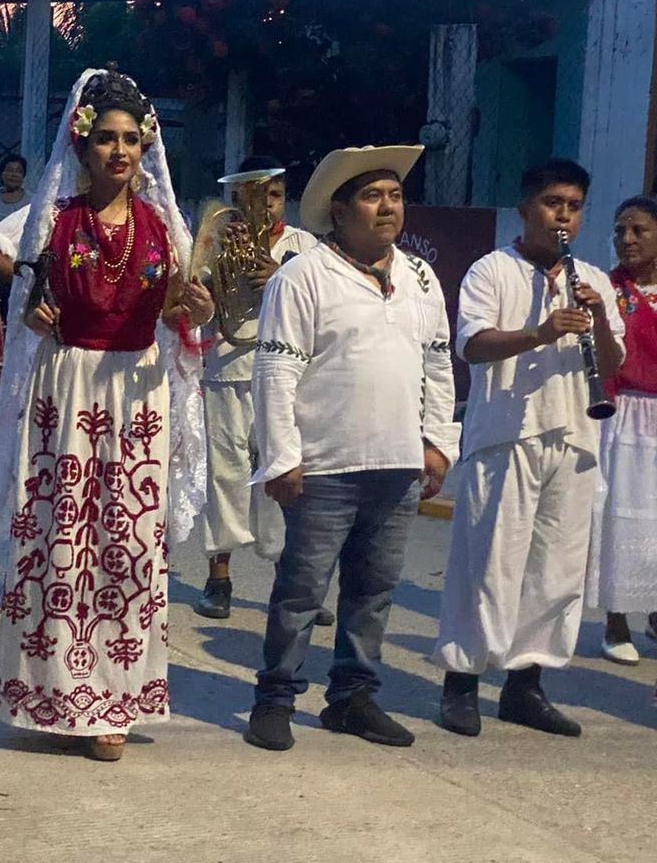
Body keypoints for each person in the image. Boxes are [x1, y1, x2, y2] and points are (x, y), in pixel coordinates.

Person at [0, 69, 213, 761]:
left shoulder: (164, 225)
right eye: (107, 138)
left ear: (146, 149)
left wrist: (197, 311)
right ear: (81, 146)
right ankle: (55, 696)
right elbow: (5, 272)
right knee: (61, 538)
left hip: (139, 387)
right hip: (68, 382)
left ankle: (115, 701)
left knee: (129, 544)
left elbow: (182, 311)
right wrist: (32, 308)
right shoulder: (52, 218)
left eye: (131, 140)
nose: (120, 151)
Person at [244, 145, 458, 753]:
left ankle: (352, 699)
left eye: (395, 196)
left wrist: (438, 443)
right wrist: (282, 457)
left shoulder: (420, 276)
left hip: (398, 464)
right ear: (339, 212)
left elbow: (438, 364)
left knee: (374, 590)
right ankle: (275, 700)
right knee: (301, 591)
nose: (388, 207)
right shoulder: (303, 275)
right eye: (372, 196)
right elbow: (276, 370)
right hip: (324, 466)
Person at [433, 159, 624, 738]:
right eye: (552, 203)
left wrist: (598, 319)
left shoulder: (594, 280)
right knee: (488, 564)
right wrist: (541, 333)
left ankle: (525, 686)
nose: (563, 216)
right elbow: (473, 345)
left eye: (574, 206)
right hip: (507, 436)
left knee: (555, 572)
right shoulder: (491, 270)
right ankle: (461, 683)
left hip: (574, 436)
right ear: (525, 209)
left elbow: (612, 363)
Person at [194, 158, 323, 621]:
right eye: (252, 196)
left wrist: (281, 279)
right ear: (234, 199)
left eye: (273, 195)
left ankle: (291, 579)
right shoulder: (213, 241)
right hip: (226, 367)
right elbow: (198, 309)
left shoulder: (304, 247)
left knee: (284, 471)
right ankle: (219, 577)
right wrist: (207, 288)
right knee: (224, 474)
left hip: (286, 372)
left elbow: (321, 308)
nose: (264, 205)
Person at [588, 196, 657, 662]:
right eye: (619, 231)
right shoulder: (606, 290)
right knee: (622, 517)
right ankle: (616, 621)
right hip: (626, 415)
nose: (626, 240)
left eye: (638, 230)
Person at [0, 154, 30, 226]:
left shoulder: (31, 200)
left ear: (23, 176)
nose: (14, 174)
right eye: (9, 170)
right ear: (1, 174)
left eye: (19, 171)